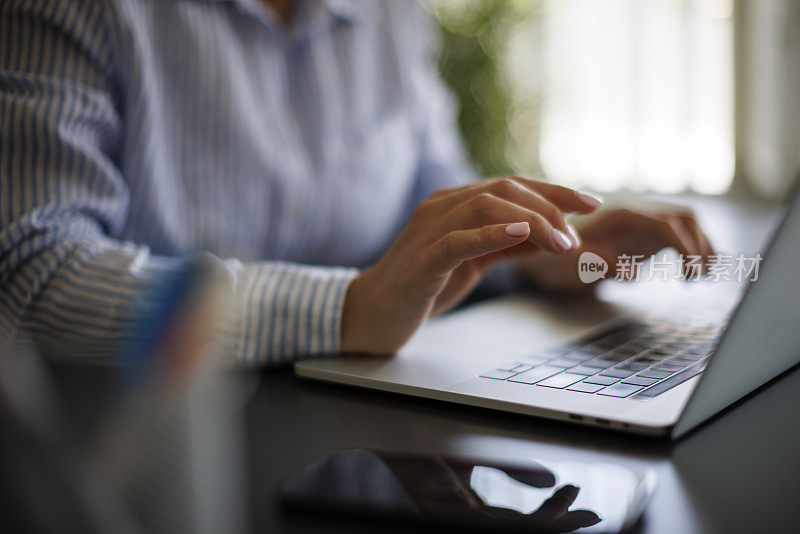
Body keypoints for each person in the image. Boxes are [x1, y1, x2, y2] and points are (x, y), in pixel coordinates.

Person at [0, 0, 714, 365]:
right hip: (154, 467)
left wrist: (550, 248)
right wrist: (346, 308)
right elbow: (31, 269)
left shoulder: (388, 12)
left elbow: (433, 192)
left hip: (363, 439)